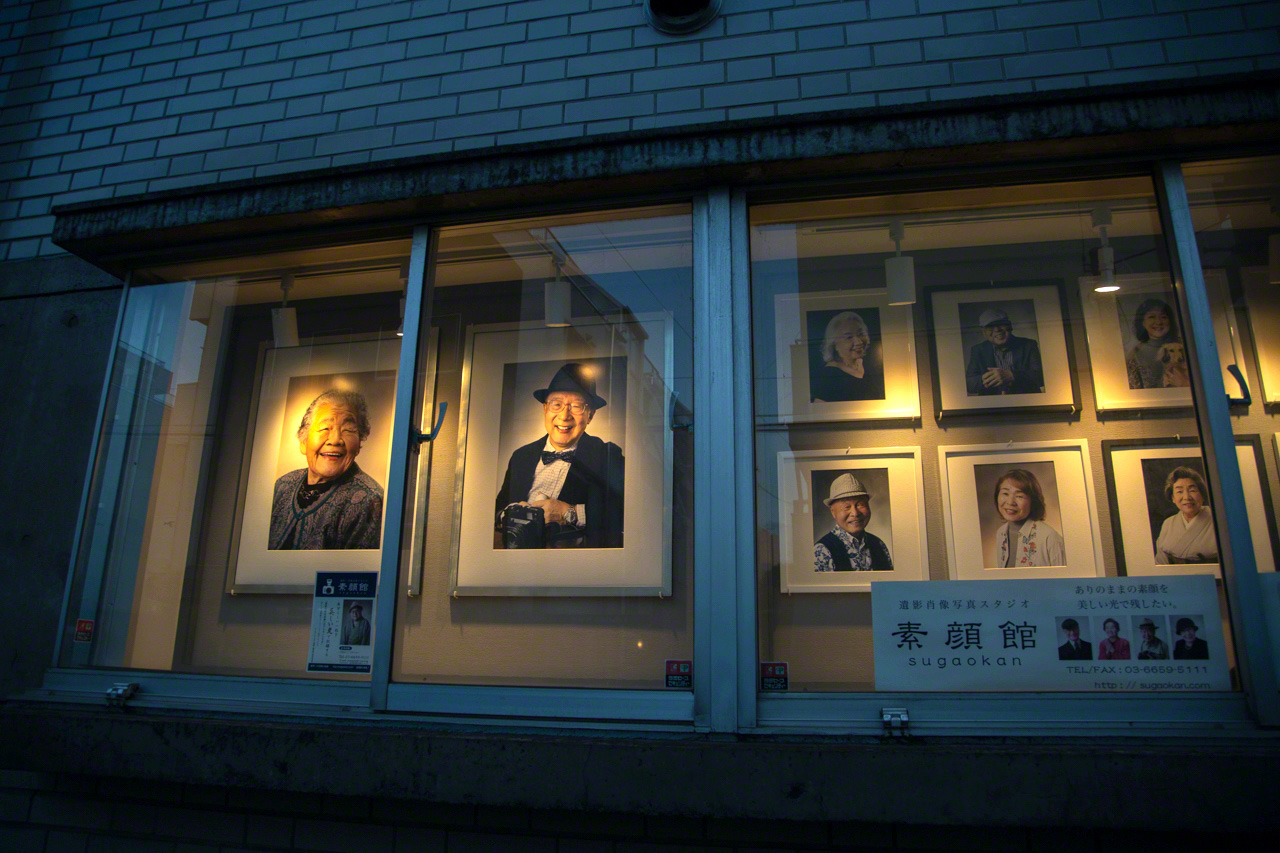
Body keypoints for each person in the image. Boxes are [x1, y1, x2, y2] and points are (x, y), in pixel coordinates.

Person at [495, 362, 624, 548]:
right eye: (557, 404)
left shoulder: (608, 455)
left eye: (576, 406)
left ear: (590, 415)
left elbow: (626, 513)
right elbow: (495, 510)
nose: (564, 416)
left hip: (573, 565)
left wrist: (568, 512)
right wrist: (509, 514)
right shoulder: (521, 456)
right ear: (545, 409)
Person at [269, 389, 383, 550]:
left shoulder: (370, 501)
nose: (335, 440)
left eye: (348, 430)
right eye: (324, 429)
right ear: (303, 441)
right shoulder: (283, 485)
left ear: (359, 446)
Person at [813, 473, 893, 572]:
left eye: (860, 504)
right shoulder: (822, 551)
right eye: (846, 507)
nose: (855, 513)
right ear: (833, 511)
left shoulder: (879, 545)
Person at [991, 469, 1066, 568]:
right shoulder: (1001, 533)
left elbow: (1064, 581)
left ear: (1033, 501)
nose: (1010, 502)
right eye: (1005, 493)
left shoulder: (1050, 538)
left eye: (1019, 496)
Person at [964, 307, 1044, 396]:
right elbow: (969, 384)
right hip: (991, 405)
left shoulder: (1029, 345)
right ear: (984, 332)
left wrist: (1011, 375)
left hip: (1026, 402)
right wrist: (991, 378)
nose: (997, 329)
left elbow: (1041, 377)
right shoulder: (978, 350)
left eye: (1000, 324)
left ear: (1010, 326)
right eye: (990, 326)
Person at [810, 311, 885, 402]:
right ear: (834, 345)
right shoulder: (827, 378)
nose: (859, 342)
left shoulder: (868, 364)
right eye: (849, 337)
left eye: (860, 334)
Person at [1154, 466, 1218, 565]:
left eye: (1192, 490)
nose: (1187, 497)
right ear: (1173, 498)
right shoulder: (1168, 523)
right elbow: (1161, 561)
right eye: (1179, 491)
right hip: (1175, 577)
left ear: (1202, 494)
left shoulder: (1218, 520)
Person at [1125, 298, 1186, 389]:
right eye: (1152, 317)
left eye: (1163, 317)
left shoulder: (1187, 348)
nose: (1158, 322)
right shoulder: (1135, 355)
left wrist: (1184, 383)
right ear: (1143, 323)